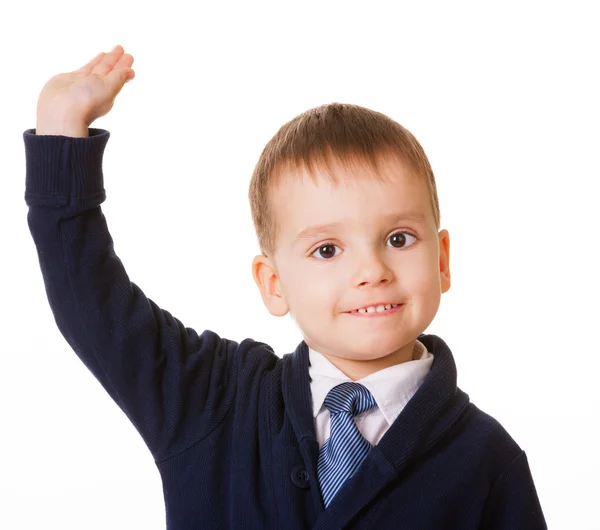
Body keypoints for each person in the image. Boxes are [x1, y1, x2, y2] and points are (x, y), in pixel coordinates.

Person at [24, 45, 547, 529]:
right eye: (327, 250)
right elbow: (95, 309)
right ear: (273, 285)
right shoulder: (212, 399)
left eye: (398, 237)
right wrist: (61, 135)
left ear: (442, 259)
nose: (372, 271)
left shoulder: (489, 461)